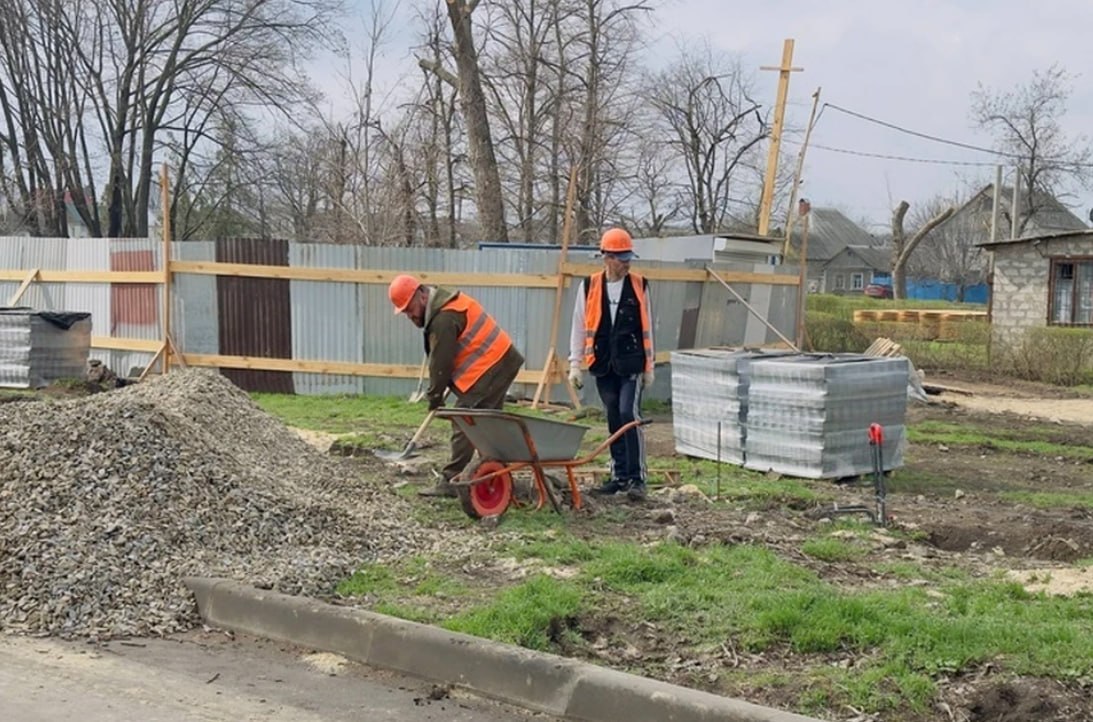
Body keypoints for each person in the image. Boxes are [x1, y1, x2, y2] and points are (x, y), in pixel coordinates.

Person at [389, 274, 524, 497]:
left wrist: (434, 397)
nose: (410, 315)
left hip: (493, 365)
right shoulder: (444, 306)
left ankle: (452, 480)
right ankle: (493, 473)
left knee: (464, 420)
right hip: (501, 360)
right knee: (485, 423)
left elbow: (441, 364)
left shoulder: (444, 318)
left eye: (410, 309)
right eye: (405, 312)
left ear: (422, 295)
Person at [567, 228, 654, 501]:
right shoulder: (589, 286)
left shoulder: (639, 285)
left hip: (631, 363)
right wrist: (574, 364)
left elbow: (647, 327)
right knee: (614, 416)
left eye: (628, 257)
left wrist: (649, 367)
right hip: (603, 363)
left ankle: (637, 478)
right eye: (621, 258)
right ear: (607, 257)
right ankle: (619, 476)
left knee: (629, 414)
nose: (627, 263)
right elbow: (579, 326)